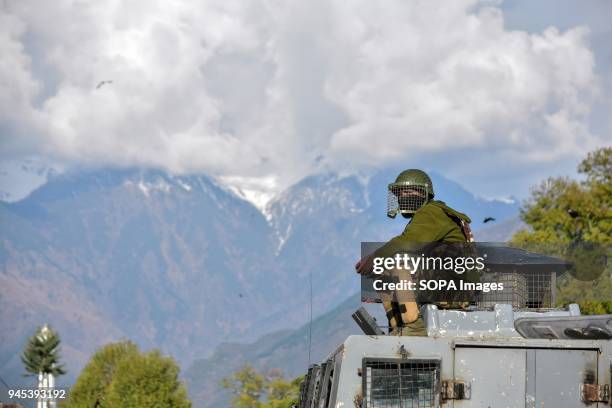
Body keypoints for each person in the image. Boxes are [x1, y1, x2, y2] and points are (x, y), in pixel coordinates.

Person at [355, 169, 474, 336]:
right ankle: (398, 327)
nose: (403, 196)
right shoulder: (425, 216)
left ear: (423, 193)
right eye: (400, 193)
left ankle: (414, 327)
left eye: (408, 191)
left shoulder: (431, 212)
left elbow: (408, 244)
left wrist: (374, 257)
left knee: (398, 263)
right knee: (383, 270)